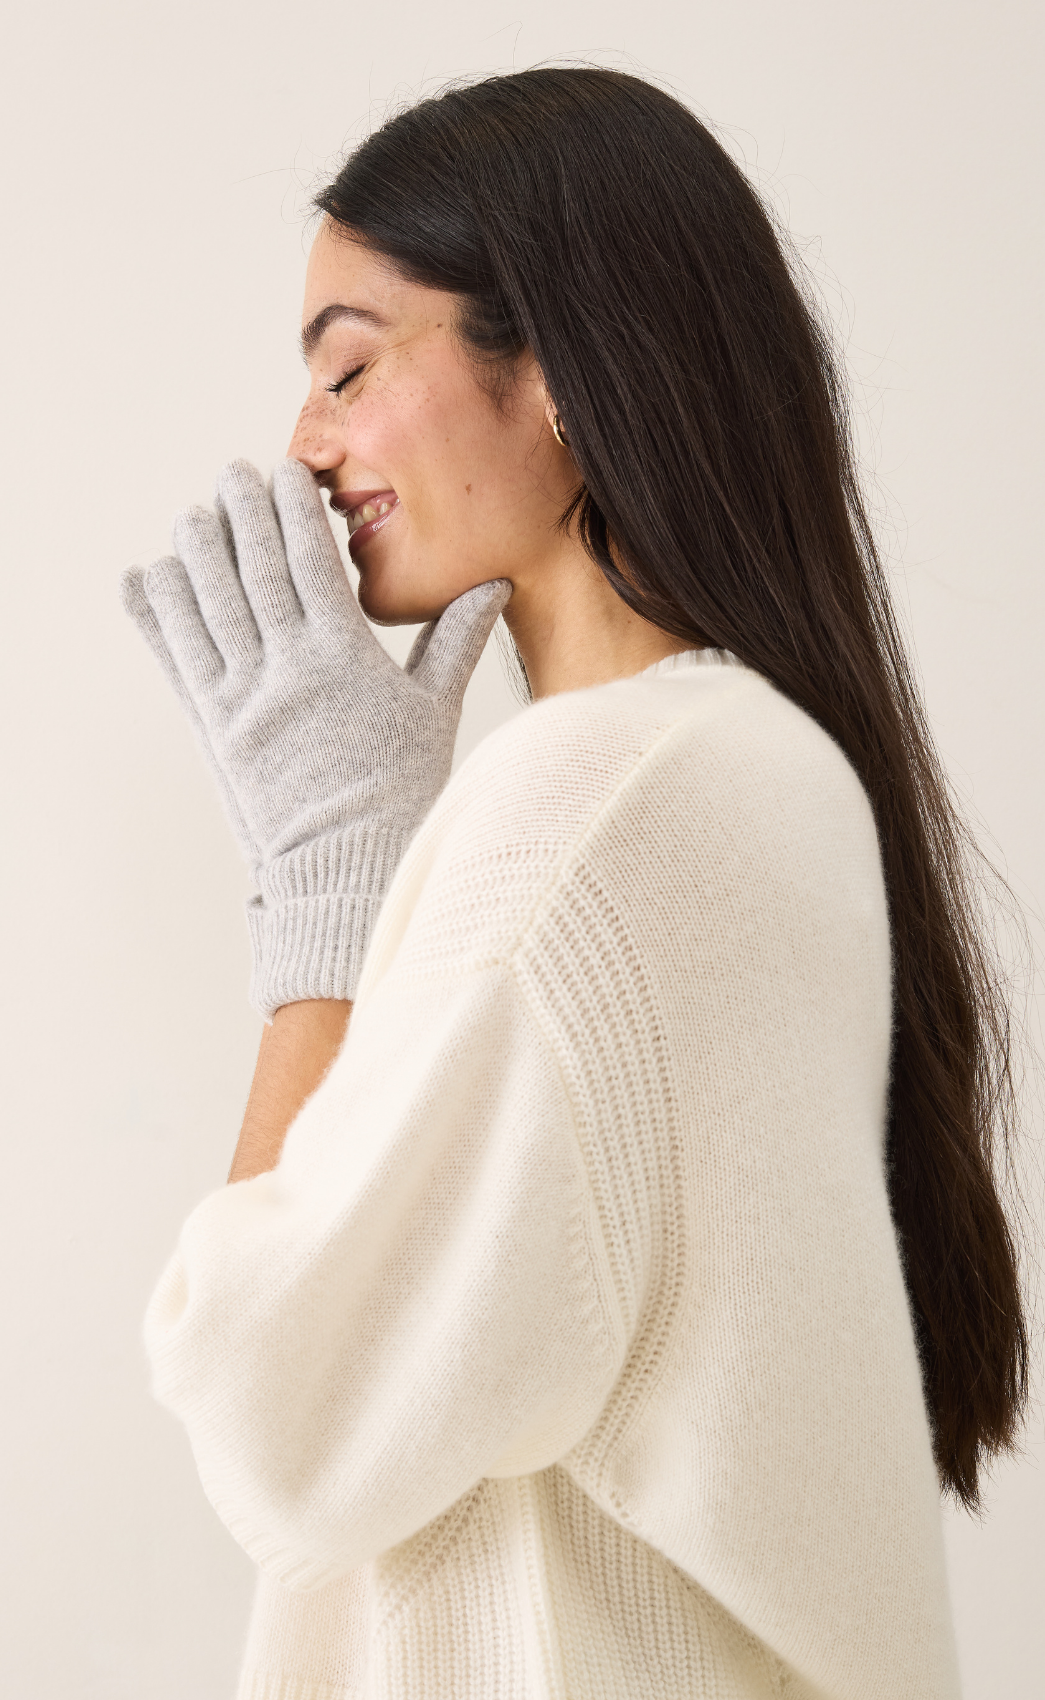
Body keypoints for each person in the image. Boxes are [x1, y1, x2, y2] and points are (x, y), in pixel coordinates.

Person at [120, 67, 1028, 1700]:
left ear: (553, 367)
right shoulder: (763, 774)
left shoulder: (591, 807)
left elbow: (277, 1417)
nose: (306, 444)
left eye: (349, 366)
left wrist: (328, 889)